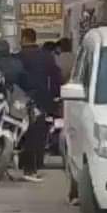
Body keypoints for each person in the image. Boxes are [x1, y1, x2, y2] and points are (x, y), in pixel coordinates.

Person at [17, 27, 61, 182]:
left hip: (21, 100)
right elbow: (56, 77)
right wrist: (55, 96)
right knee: (38, 134)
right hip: (41, 100)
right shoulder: (47, 56)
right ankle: (36, 165)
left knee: (23, 132)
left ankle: (24, 164)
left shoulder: (19, 57)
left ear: (23, 39)